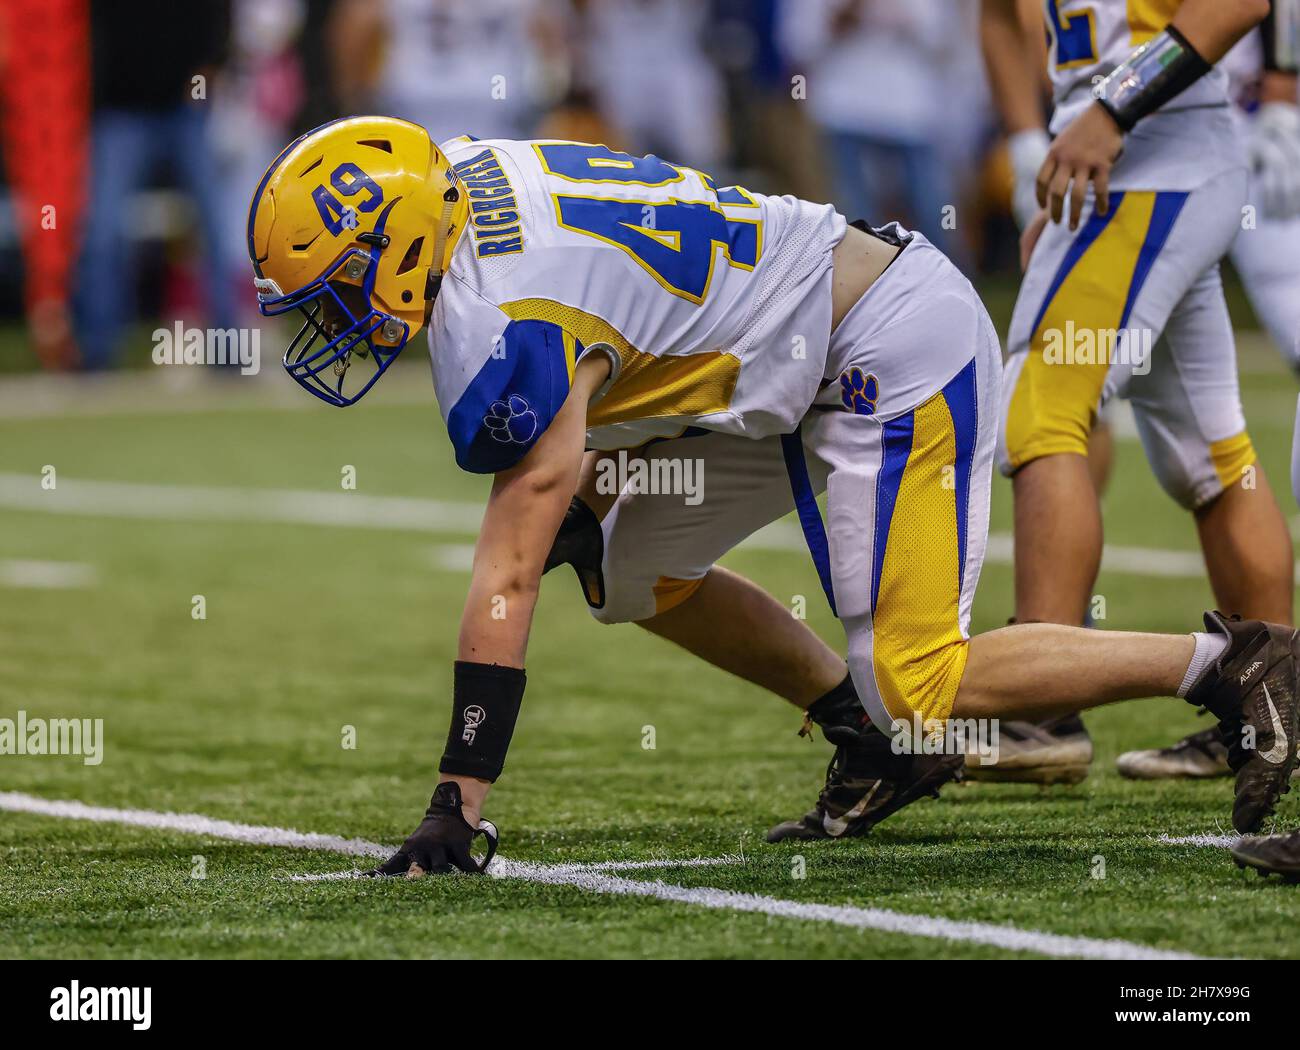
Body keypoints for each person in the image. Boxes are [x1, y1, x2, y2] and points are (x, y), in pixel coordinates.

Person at [248, 109, 1298, 876]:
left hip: (883, 342)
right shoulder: (467, 177)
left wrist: (457, 799)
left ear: (402, 245)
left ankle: (1233, 662)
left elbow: (509, 566)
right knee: (627, 570)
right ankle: (866, 741)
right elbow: (628, 337)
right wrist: (598, 472)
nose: (330, 318)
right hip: (776, 363)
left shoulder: (502, 317)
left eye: (338, 283)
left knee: (916, 680)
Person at [977, 0, 1295, 783]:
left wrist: (1111, 110)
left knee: (1041, 408)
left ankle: (1037, 710)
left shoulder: (1126, 110)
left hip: (1153, 147)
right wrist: (1043, 142)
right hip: (1128, 152)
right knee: (1207, 451)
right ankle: (1277, 709)